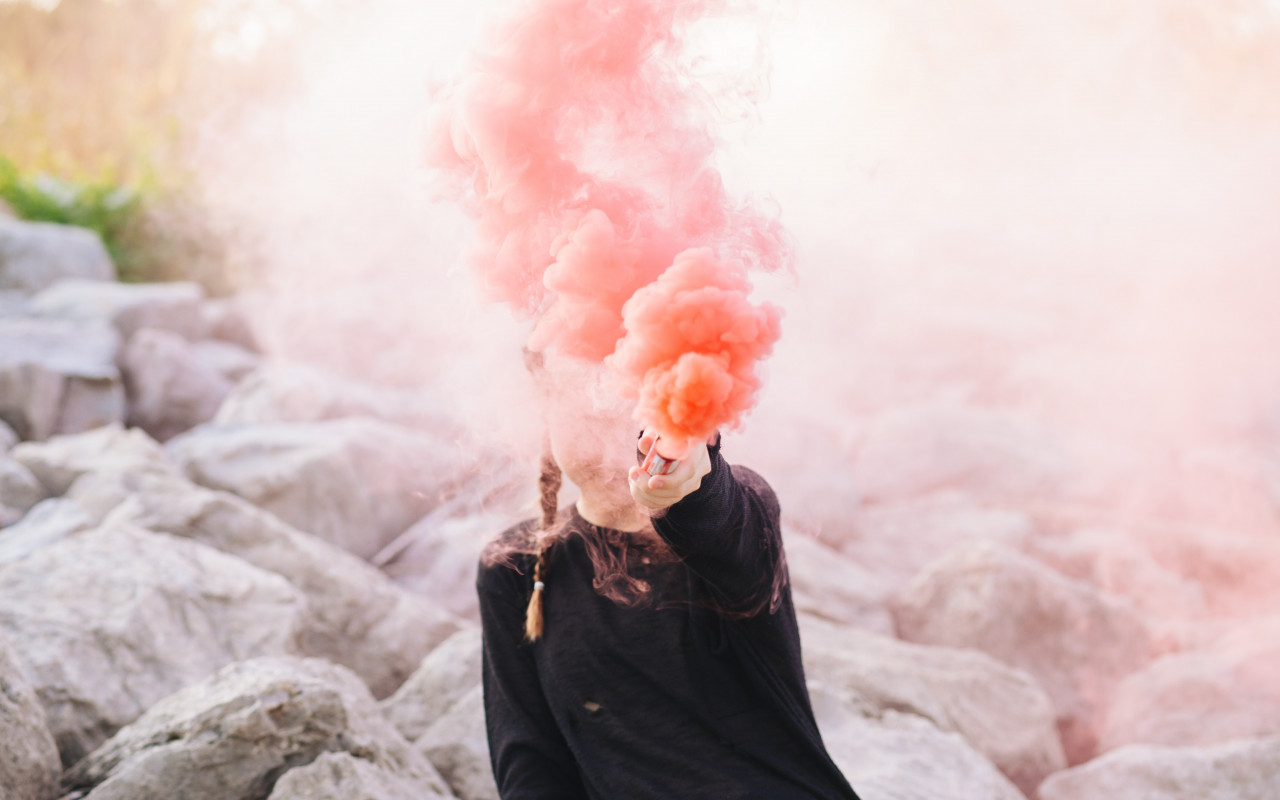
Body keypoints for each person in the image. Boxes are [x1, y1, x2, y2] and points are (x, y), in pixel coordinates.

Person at [476, 361, 861, 799]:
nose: (612, 422)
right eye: (585, 402)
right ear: (547, 417)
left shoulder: (738, 509)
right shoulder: (514, 565)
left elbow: (717, 513)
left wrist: (695, 473)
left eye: (632, 400)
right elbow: (531, 764)